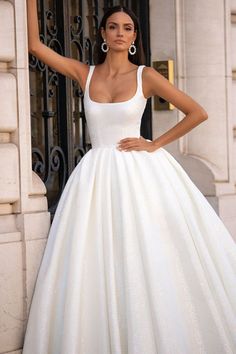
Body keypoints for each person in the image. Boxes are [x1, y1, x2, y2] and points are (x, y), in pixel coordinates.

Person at [23, 2, 236, 354]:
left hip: (139, 172)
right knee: (93, 254)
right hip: (94, 177)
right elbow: (35, 46)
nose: (120, 33)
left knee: (146, 248)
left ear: (134, 37)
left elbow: (198, 112)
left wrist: (156, 143)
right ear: (103, 34)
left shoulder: (146, 76)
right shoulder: (84, 73)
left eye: (127, 28)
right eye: (113, 27)